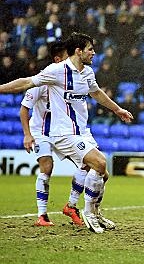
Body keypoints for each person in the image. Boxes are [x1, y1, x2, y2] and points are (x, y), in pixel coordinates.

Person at [0, 32, 134, 233]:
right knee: (99, 162)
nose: (93, 53)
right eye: (90, 49)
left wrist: (117, 109)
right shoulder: (56, 70)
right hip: (63, 134)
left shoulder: (87, 73)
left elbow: (96, 93)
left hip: (82, 132)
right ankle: (86, 213)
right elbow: (26, 82)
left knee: (103, 174)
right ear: (78, 51)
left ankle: (94, 212)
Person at [19, 40, 87, 227]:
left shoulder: (70, 78)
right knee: (47, 167)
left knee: (86, 164)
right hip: (42, 132)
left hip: (63, 131)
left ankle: (71, 205)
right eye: (68, 56)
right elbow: (24, 108)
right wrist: (27, 134)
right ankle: (42, 215)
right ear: (58, 59)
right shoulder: (42, 80)